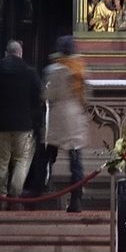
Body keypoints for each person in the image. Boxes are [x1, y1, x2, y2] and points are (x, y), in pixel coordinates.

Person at [0, 39, 42, 202]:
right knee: (22, 160)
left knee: (1, 161)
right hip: (23, 124)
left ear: (6, 53)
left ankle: (1, 194)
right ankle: (15, 194)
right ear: (20, 53)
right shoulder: (29, 72)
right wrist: (32, 111)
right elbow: (40, 95)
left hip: (2, 122)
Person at [44, 35, 93, 214]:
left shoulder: (53, 70)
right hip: (74, 119)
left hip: (57, 119)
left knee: (48, 157)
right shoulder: (80, 69)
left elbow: (47, 95)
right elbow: (86, 96)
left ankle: (44, 191)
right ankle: (76, 199)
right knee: (75, 163)